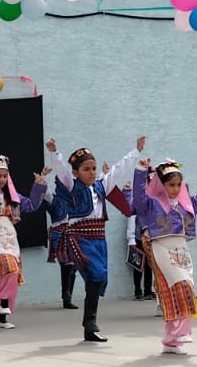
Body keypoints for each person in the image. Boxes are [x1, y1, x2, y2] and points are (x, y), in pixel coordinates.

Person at [46, 137, 143, 342]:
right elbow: (62, 169)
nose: (91, 172)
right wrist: (55, 153)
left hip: (99, 239)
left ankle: (89, 327)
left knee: (99, 279)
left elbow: (118, 169)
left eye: (93, 168)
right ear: (76, 172)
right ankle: (90, 323)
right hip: (81, 238)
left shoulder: (101, 186)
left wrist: (136, 151)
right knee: (97, 275)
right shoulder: (72, 185)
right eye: (86, 169)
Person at [133, 156, 197, 354]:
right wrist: (140, 171)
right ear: (161, 185)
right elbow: (138, 197)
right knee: (181, 287)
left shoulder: (187, 205)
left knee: (185, 287)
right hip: (161, 248)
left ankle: (171, 341)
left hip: (181, 250)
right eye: (171, 184)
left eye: (179, 184)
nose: (176, 188)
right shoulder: (152, 204)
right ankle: (180, 332)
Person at [0, 154, 51, 329]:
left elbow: (31, 205)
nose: (2, 179)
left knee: (13, 270)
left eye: (5, 176)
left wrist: (39, 185)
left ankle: (4, 307)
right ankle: (3, 305)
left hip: (9, 234)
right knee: (6, 265)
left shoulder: (13, 196)